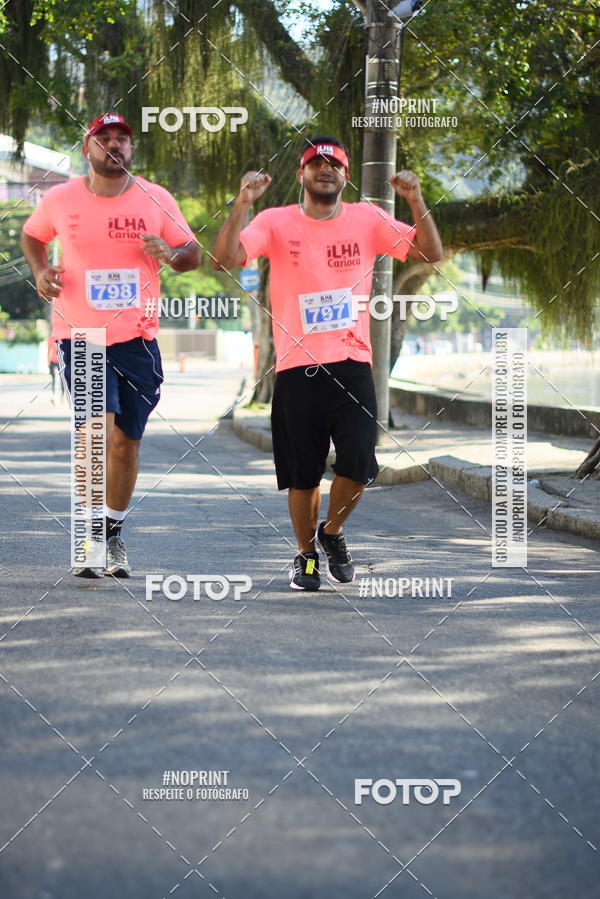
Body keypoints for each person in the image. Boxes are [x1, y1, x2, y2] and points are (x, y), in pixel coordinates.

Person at [212, 136, 442, 591]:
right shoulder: (275, 221)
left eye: (334, 164)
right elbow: (223, 259)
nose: (325, 169)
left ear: (346, 176)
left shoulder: (367, 218)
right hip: (297, 368)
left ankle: (332, 532)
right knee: (303, 474)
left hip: (353, 363)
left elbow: (429, 253)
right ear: (301, 175)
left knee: (359, 462)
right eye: (315, 164)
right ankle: (305, 556)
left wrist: (415, 200)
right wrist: (242, 202)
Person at [22, 112, 200, 579]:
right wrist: (40, 270)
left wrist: (171, 254)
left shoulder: (155, 197)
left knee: (124, 443)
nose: (114, 146)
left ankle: (111, 534)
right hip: (80, 335)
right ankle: (86, 535)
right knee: (94, 433)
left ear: (131, 149)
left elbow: (192, 253)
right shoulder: (61, 199)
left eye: (123, 139)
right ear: (88, 149)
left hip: (138, 339)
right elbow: (32, 235)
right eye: (105, 140)